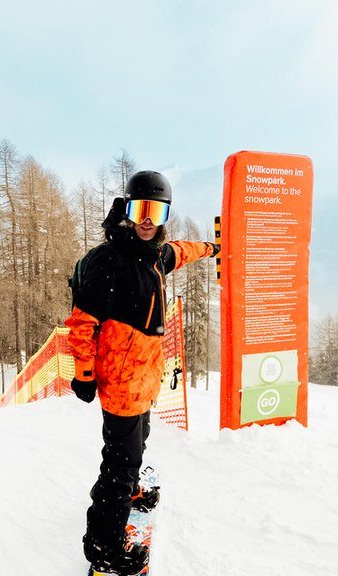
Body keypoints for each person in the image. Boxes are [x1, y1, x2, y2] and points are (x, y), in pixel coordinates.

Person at [65, 170, 218, 574]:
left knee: (137, 444)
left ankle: (130, 491)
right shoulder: (108, 261)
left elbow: (181, 251)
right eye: (140, 210)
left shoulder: (156, 256)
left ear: (165, 214)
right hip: (119, 386)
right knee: (118, 467)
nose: (148, 220)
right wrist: (83, 374)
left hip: (145, 380)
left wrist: (210, 247)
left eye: (157, 210)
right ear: (127, 211)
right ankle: (104, 549)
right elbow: (81, 324)